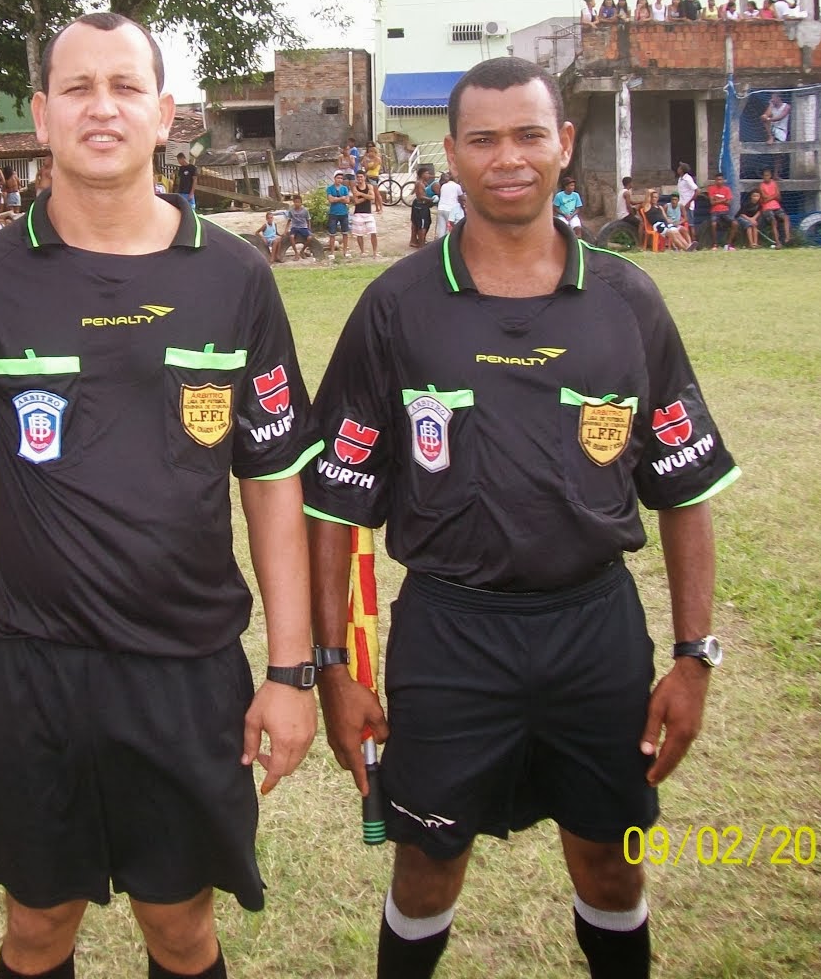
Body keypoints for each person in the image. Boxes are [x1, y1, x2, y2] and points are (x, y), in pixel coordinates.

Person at [304, 55, 739, 979]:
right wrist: (333, 668)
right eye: (485, 138)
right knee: (427, 866)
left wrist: (695, 655)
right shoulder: (395, 307)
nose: (510, 157)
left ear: (564, 145)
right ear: (451, 157)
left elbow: (684, 488)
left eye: (530, 134)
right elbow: (333, 504)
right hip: (450, 632)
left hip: (595, 629)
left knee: (609, 864)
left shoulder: (628, 299)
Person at [0, 11, 318, 979]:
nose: (104, 107)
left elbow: (270, 486)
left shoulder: (235, 278)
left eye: (126, 87)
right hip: (28, 670)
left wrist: (291, 670)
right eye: (80, 89)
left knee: (180, 933)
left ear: (165, 114)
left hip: (184, 669)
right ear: (43, 117)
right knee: (35, 931)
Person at [349, 169, 382, 258]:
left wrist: (361, 194)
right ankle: (362, 251)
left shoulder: (369, 186)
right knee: (359, 234)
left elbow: (373, 197)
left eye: (361, 177)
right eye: (358, 177)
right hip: (358, 213)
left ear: (364, 177)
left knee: (373, 232)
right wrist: (366, 197)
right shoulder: (354, 187)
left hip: (368, 213)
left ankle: (375, 252)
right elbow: (356, 201)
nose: (359, 178)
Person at [756, 169, 788, 248]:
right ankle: (777, 242)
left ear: (770, 176)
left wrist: (772, 197)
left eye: (768, 175)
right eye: (764, 176)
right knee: (773, 221)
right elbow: (765, 198)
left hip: (776, 206)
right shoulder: (761, 186)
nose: (766, 177)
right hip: (767, 208)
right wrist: (774, 196)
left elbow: (779, 197)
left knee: (785, 218)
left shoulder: (774, 183)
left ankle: (788, 237)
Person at [325, 170, 353, 259]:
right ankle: (332, 253)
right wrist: (341, 198)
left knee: (345, 233)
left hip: (343, 213)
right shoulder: (330, 188)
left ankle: (345, 251)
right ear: (334, 178)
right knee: (332, 234)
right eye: (338, 178)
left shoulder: (345, 188)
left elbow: (348, 200)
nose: (340, 180)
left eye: (341, 178)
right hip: (333, 213)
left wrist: (336, 198)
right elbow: (330, 200)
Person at [408, 164, 436, 249]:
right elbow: (420, 196)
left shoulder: (424, 182)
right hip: (420, 206)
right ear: (422, 174)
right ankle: (421, 244)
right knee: (423, 225)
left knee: (419, 223)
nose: (429, 175)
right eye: (427, 173)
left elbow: (431, 176)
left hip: (421, 205)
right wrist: (431, 199)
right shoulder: (420, 183)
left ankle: (417, 240)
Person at [705, 174, 734, 250]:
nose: (719, 181)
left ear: (723, 180)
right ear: (715, 181)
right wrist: (724, 200)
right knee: (713, 224)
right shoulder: (711, 189)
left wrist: (717, 200)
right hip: (715, 211)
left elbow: (729, 203)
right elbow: (712, 203)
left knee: (735, 223)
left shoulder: (727, 189)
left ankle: (728, 244)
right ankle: (715, 244)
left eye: (720, 179)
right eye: (717, 180)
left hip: (725, 211)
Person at [674, 162, 699, 248]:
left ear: (682, 170)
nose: (678, 169)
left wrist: (689, 202)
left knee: (690, 224)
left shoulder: (688, 179)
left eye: (679, 168)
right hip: (681, 205)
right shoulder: (680, 179)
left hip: (688, 206)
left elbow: (697, 191)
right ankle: (685, 243)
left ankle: (693, 243)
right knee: (681, 224)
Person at [434, 171, 464, 239]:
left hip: (441, 208)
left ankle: (440, 244)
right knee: (449, 229)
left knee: (441, 228)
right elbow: (462, 198)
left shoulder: (444, 186)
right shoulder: (457, 186)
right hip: (451, 209)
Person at [287, 192, 314, 259]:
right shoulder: (291, 211)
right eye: (295, 202)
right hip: (295, 227)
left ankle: (302, 251)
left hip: (303, 227)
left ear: (301, 203)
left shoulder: (305, 211)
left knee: (310, 238)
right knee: (291, 237)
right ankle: (296, 253)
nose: (297, 204)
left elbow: (308, 220)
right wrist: (286, 230)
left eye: (299, 202)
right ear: (293, 202)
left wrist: (309, 229)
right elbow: (289, 220)